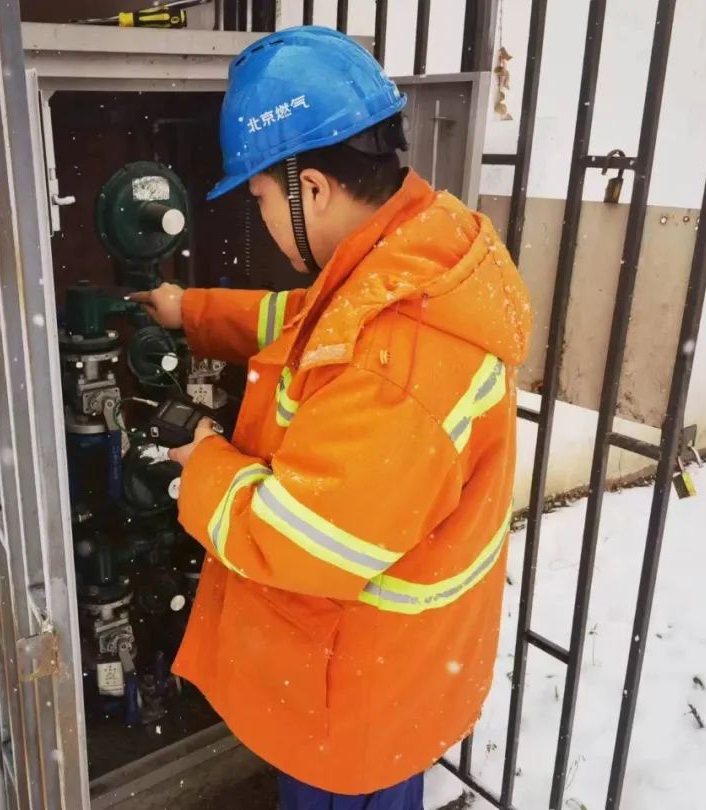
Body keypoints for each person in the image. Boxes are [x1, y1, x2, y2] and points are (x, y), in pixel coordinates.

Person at [131, 25, 531, 810]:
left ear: (311, 188)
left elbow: (299, 542)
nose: (260, 218)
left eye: (258, 200)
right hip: (398, 666)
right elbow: (311, 324)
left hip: (352, 696)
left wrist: (202, 459)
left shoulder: (397, 355)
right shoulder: (409, 254)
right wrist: (192, 313)